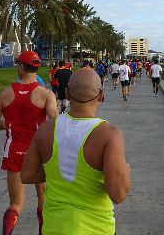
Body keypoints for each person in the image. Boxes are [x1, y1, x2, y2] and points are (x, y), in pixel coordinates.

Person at [21, 68, 130, 235]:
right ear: (100, 95)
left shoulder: (46, 129)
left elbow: (27, 174)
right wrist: (125, 173)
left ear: (67, 93)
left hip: (53, 227)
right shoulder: (110, 135)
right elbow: (118, 194)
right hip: (96, 228)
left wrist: (57, 171)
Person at [0, 51, 58, 235]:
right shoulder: (46, 94)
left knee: (15, 204)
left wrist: (11, 124)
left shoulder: (6, 93)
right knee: (43, 199)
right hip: (39, 153)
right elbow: (56, 123)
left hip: (14, 152)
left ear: (20, 66)